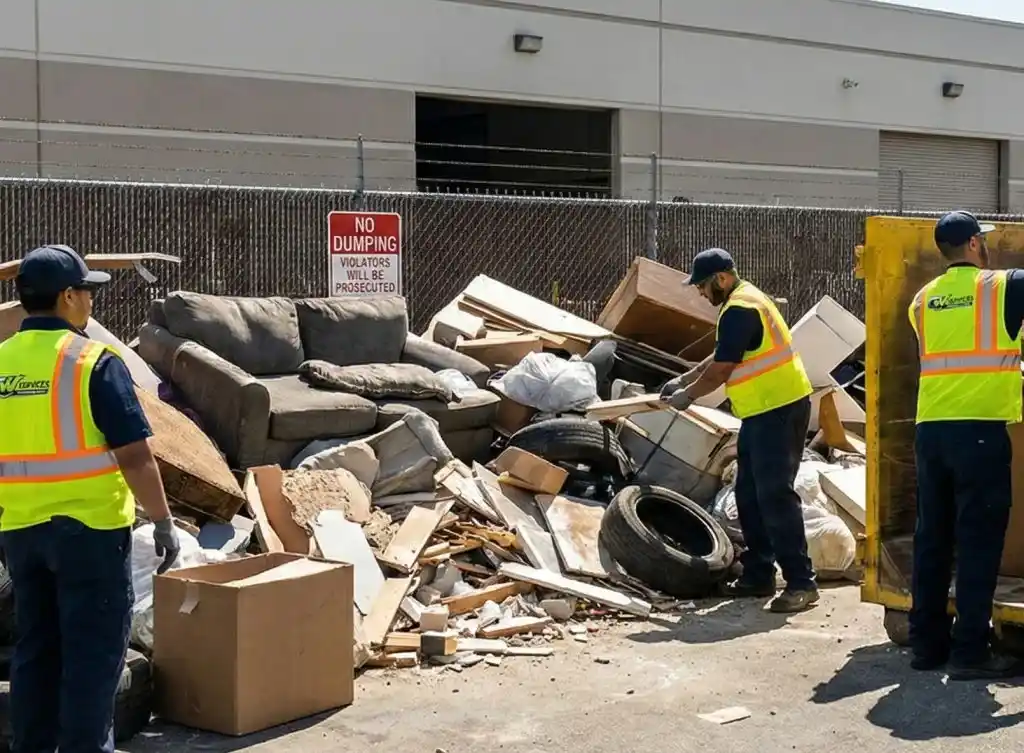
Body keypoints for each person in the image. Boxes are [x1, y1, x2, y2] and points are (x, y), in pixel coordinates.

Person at [0, 245, 181, 753]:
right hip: (91, 534)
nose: (91, 302)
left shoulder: (0, 362)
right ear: (68, 297)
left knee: (35, 651)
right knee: (93, 657)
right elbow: (135, 456)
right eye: (87, 291)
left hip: (20, 534)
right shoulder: (92, 360)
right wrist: (165, 524)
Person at [661, 248, 818, 613]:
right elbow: (722, 356)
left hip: (778, 410)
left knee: (775, 496)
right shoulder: (743, 301)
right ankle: (759, 574)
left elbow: (721, 371)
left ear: (722, 278)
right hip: (763, 412)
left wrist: (689, 395)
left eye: (702, 286)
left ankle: (801, 583)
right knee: (748, 494)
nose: (701, 294)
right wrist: (684, 378)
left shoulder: (740, 308)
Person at [906, 211, 1024, 681]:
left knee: (932, 538)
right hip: (980, 431)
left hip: (931, 429)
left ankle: (926, 645)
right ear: (975, 244)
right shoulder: (1006, 285)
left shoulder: (922, 299)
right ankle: (971, 651)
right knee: (978, 540)